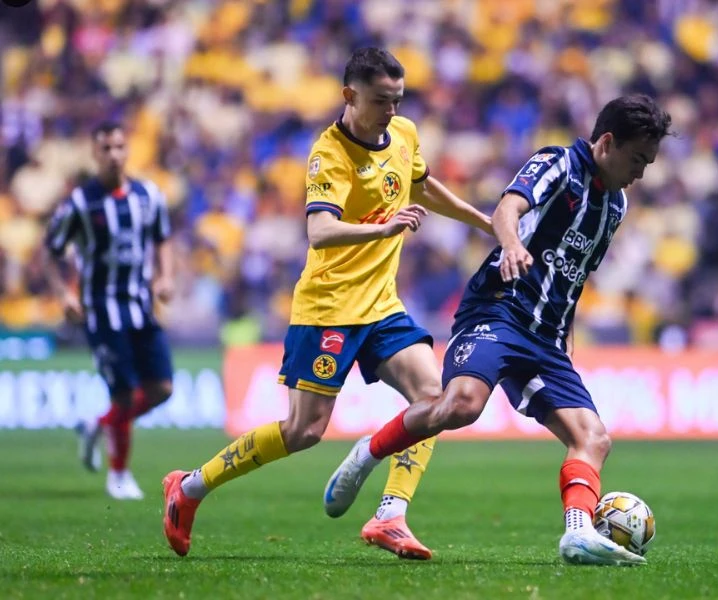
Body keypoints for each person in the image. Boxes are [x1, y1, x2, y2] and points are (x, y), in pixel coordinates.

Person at [162, 47, 492, 559]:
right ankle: (188, 489)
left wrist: (485, 223)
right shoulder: (328, 154)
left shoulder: (403, 135)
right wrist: (383, 227)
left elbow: (422, 188)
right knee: (304, 430)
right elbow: (318, 231)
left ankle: (391, 516)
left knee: (437, 400)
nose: (392, 111)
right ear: (349, 95)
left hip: (381, 304)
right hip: (329, 306)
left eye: (398, 100)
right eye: (382, 101)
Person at [324, 94, 672, 566]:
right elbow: (508, 207)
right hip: (497, 312)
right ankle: (369, 452)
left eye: (648, 164)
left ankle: (577, 532)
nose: (641, 173)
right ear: (607, 143)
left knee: (593, 437)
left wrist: (563, 336)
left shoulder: (616, 206)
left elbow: (572, 274)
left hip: (546, 339)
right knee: (462, 405)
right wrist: (509, 245)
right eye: (637, 160)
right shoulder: (558, 164)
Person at [44, 121, 176, 500]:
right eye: (106, 148)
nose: (114, 154)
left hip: (141, 306)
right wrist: (64, 295)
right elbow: (51, 250)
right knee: (124, 394)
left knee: (163, 388)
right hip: (102, 312)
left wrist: (165, 277)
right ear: (94, 153)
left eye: (120, 146)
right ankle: (118, 476)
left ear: (127, 150)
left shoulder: (148, 195)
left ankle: (96, 425)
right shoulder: (80, 203)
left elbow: (162, 238)